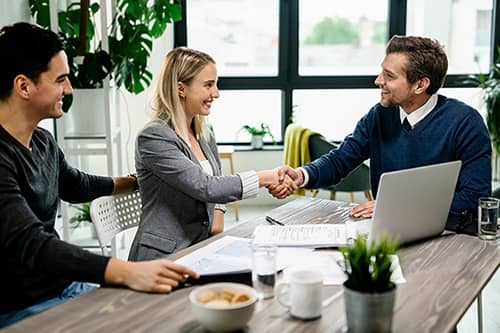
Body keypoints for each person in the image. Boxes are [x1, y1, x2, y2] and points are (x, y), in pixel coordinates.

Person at [0, 22, 199, 328]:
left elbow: (76, 185)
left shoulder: (42, 142)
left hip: (62, 287)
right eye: (61, 79)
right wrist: (127, 271)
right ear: (24, 86)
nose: (68, 90)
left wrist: (135, 181)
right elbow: (31, 244)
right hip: (19, 306)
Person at [270, 35, 491, 228]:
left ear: (420, 85)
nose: (378, 81)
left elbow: (474, 198)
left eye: (390, 76)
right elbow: (340, 159)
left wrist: (397, 207)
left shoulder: (466, 123)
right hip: (387, 229)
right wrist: (301, 175)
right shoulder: (379, 115)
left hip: (448, 234)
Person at [128, 47, 295, 261]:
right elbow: (206, 186)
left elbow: (217, 184)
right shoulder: (154, 137)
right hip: (163, 256)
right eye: (208, 85)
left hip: (202, 247)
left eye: (215, 85)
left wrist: (217, 225)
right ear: (181, 88)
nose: (216, 94)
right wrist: (266, 178)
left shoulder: (204, 132)